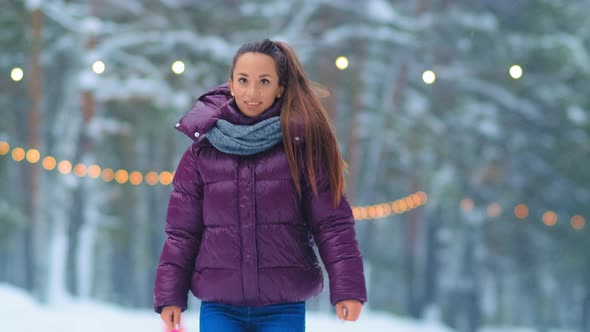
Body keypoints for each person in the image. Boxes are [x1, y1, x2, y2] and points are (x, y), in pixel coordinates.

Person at [154, 39, 367, 332]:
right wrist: (170, 296)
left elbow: (332, 224)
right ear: (231, 84)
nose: (252, 92)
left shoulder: (301, 148)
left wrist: (348, 288)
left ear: (280, 87)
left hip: (282, 306)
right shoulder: (202, 153)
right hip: (220, 306)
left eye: (264, 81)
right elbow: (182, 233)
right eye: (243, 80)